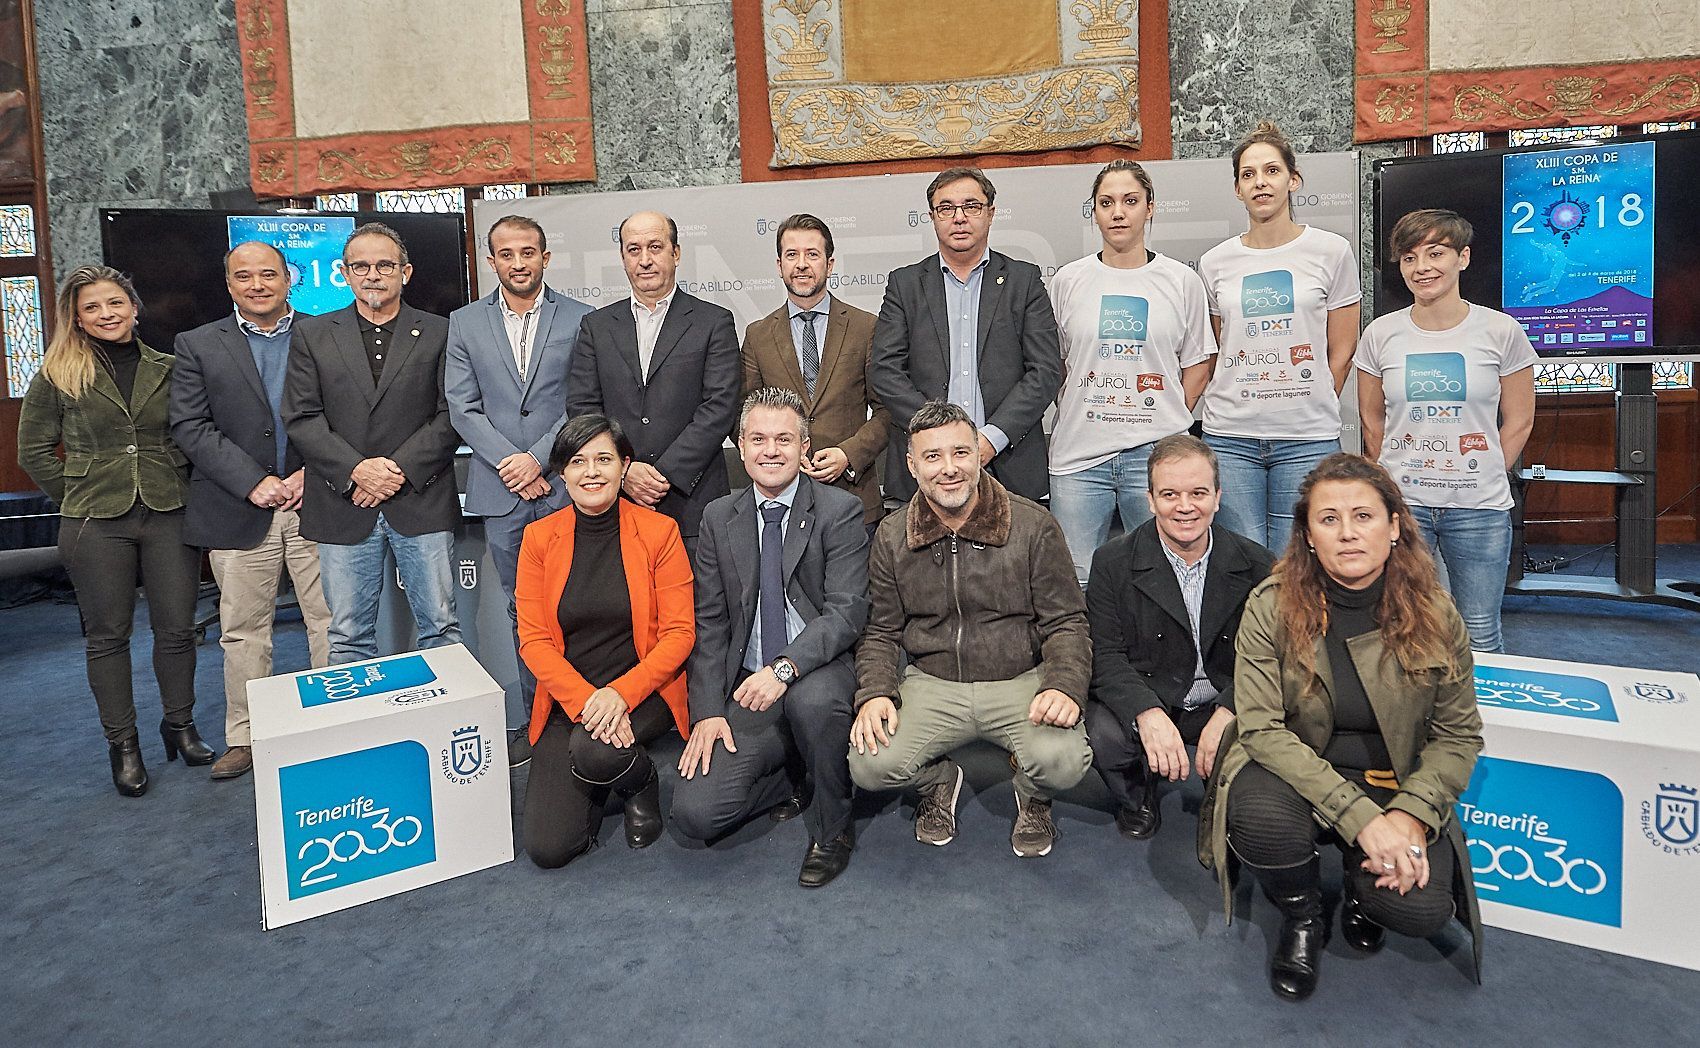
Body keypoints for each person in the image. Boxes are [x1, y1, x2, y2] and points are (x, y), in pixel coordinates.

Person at [1199, 453, 1484, 1001]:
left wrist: (1408, 815)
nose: (1348, 533)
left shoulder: (1438, 614)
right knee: (1258, 814)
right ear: (1308, 535)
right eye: (1328, 519)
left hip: (1392, 785)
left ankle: (1360, 893)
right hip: (1298, 771)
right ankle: (1303, 916)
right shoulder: (1272, 605)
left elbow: (1458, 736)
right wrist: (1361, 822)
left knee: (1420, 910)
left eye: (1364, 516)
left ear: (1394, 526)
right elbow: (1260, 728)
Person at [849, 401, 1092, 858]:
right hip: (933, 683)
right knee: (869, 764)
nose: (949, 469)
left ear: (979, 455)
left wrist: (1064, 684)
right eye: (933, 456)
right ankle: (940, 780)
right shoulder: (891, 534)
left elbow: (1066, 621)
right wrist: (876, 693)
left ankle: (1033, 791)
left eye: (960, 453)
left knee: (1062, 763)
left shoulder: (1033, 526)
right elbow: (880, 631)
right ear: (911, 464)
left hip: (1019, 679)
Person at [17, 265, 210, 796]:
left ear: (134, 305)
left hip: (168, 510)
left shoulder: (169, 367)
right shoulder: (58, 374)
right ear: (76, 319)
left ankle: (180, 725)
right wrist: (78, 493)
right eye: (92, 308)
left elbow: (192, 435)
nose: (107, 315)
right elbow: (32, 451)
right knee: (108, 637)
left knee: (177, 628)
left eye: (115, 303)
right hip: (94, 521)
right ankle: (123, 744)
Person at [672, 388, 869, 887]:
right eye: (758, 438)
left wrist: (785, 670)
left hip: (818, 669)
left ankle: (833, 827)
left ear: (805, 447)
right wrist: (709, 711)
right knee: (696, 814)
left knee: (812, 705)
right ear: (739, 445)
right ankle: (795, 773)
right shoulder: (720, 516)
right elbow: (711, 622)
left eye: (785, 439)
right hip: (749, 682)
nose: (771, 450)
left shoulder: (840, 510)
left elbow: (846, 613)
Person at [169, 241, 333, 781]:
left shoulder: (325, 331)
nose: (257, 285)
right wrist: (253, 482)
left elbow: (347, 413)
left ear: (290, 279)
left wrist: (314, 471)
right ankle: (246, 736)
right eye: (244, 276)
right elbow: (190, 426)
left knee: (330, 622)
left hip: (319, 499)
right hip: (238, 507)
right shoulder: (196, 344)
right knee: (243, 629)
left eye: (268, 274)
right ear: (229, 284)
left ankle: (332, 726)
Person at [515, 414, 695, 868]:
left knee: (594, 750)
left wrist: (619, 694)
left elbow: (679, 634)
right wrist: (587, 702)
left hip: (643, 690)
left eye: (603, 459)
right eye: (577, 461)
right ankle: (608, 771)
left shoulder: (659, 532)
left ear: (624, 466)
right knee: (548, 849)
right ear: (562, 473)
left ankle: (638, 782)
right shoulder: (538, 538)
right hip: (572, 698)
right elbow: (534, 640)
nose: (591, 472)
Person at [446, 214, 593, 766]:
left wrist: (537, 460)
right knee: (521, 610)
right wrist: (512, 462)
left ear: (545, 257)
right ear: (492, 261)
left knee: (577, 602)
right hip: (501, 487)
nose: (518, 263)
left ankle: (584, 712)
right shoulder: (463, 323)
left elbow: (581, 400)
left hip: (562, 483)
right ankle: (538, 719)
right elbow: (462, 407)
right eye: (506, 254)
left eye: (528, 252)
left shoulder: (581, 319)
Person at [282, 222, 462, 664]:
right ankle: (359, 733)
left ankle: (443, 728)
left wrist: (395, 471)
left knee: (440, 627)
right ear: (344, 273)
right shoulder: (313, 334)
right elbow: (302, 417)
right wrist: (357, 471)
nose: (373, 275)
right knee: (346, 635)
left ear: (406, 272)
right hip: (342, 503)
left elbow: (452, 413)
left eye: (385, 264)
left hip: (420, 498)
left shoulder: (441, 330)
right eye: (360, 266)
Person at [1357, 209, 1535, 653]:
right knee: (1408, 630)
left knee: (1479, 632)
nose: (1423, 268)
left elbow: (1519, 419)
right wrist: (1392, 482)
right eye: (1410, 258)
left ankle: (1482, 724)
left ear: (1464, 258)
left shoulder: (1501, 330)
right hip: (1406, 509)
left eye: (1436, 254)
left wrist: (1490, 469)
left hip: (1479, 510)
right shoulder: (1381, 334)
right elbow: (1372, 421)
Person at [1085, 435, 1274, 839]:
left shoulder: (1258, 563)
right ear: (1150, 500)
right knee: (1103, 735)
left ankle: (1223, 792)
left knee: (1256, 784)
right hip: (1152, 693)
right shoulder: (1112, 562)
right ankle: (1138, 795)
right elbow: (1106, 655)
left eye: (1198, 493)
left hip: (1221, 697)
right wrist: (1147, 713)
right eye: (1169, 494)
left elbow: (1273, 658)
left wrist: (1230, 710)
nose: (1185, 506)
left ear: (1218, 497)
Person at [1196, 120, 1362, 553]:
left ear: (1294, 179)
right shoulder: (1215, 262)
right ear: (1237, 189)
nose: (1260, 183)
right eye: (1248, 175)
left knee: (1306, 558)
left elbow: (1343, 347)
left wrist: (1313, 394)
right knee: (1242, 561)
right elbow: (1217, 347)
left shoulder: (1331, 251)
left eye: (1271, 171)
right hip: (1230, 438)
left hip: (1307, 436)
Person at [1049, 160, 1215, 585]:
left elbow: (1198, 362)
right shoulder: (1068, 281)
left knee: (1165, 578)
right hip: (1079, 459)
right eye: (1106, 203)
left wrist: (1166, 417)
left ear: (1150, 207)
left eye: (1130, 201)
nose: (1118, 212)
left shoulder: (1181, 281)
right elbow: (1055, 365)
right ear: (1095, 211)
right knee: (1076, 582)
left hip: (1156, 457)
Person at [870, 167, 1061, 505]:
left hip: (1008, 465)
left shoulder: (1023, 280)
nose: (959, 218)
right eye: (946, 208)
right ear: (932, 217)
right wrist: (939, 436)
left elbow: (1045, 371)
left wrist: (991, 439)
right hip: (924, 471)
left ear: (990, 213)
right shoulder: (905, 284)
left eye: (971, 206)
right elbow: (885, 371)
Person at [565, 210, 740, 554]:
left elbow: (719, 407)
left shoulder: (713, 322)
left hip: (693, 502)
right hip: (616, 500)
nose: (645, 260)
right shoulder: (596, 327)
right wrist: (624, 472)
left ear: (676, 254)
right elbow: (583, 409)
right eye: (634, 249)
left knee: (695, 608)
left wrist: (663, 475)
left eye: (655, 247)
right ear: (622, 258)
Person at [741, 214, 889, 528]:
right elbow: (742, 413)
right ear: (779, 265)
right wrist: (777, 457)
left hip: (854, 498)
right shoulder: (758, 335)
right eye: (792, 255)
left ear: (830, 264)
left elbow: (888, 410)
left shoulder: (865, 327)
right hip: (780, 501)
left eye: (812, 254)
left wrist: (849, 455)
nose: (802, 264)